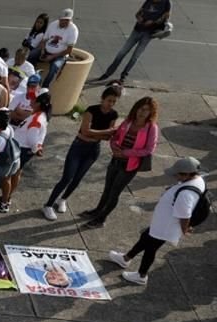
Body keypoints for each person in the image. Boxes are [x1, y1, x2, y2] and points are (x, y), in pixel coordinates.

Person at [107, 157, 205, 286]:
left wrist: (184, 229)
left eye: (177, 174)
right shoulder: (197, 180)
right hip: (162, 223)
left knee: (150, 249)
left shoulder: (186, 195)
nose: (175, 176)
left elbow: (185, 215)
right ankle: (126, 258)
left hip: (166, 226)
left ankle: (141, 275)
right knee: (145, 237)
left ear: (186, 174)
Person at [41, 85, 120, 220]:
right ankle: (48, 205)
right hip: (79, 146)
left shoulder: (113, 114)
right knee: (67, 177)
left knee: (78, 178)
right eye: (109, 100)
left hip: (93, 149)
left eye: (113, 101)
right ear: (102, 98)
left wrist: (95, 134)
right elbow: (85, 131)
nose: (110, 104)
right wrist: (104, 132)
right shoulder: (91, 110)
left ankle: (63, 199)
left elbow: (108, 137)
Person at [82, 97, 159, 228]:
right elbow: (116, 137)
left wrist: (126, 153)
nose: (142, 112)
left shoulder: (151, 128)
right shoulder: (128, 121)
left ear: (151, 113)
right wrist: (114, 147)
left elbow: (149, 150)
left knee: (114, 193)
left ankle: (101, 219)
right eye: (141, 108)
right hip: (115, 160)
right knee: (107, 189)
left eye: (146, 110)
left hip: (129, 165)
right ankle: (97, 210)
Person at [0, 92, 50, 213]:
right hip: (23, 149)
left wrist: (35, 149)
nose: (30, 102)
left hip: (21, 149)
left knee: (7, 176)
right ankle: (7, 198)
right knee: (16, 174)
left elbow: (32, 138)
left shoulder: (37, 119)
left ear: (39, 103)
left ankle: (4, 203)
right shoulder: (40, 115)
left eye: (34, 101)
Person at [96, 0, 171, 85]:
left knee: (135, 57)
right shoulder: (148, 1)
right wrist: (139, 18)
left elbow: (166, 16)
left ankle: (124, 75)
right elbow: (138, 13)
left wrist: (153, 22)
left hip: (148, 34)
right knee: (122, 53)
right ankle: (108, 73)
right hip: (137, 30)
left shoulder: (166, 2)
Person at [29, 8, 78, 88]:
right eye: (63, 20)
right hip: (46, 50)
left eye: (67, 20)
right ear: (59, 18)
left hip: (60, 55)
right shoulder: (53, 25)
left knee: (54, 67)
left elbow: (69, 50)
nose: (64, 22)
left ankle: (45, 87)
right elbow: (44, 40)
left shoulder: (73, 30)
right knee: (32, 54)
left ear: (71, 20)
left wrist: (52, 56)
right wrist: (42, 51)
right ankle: (28, 77)